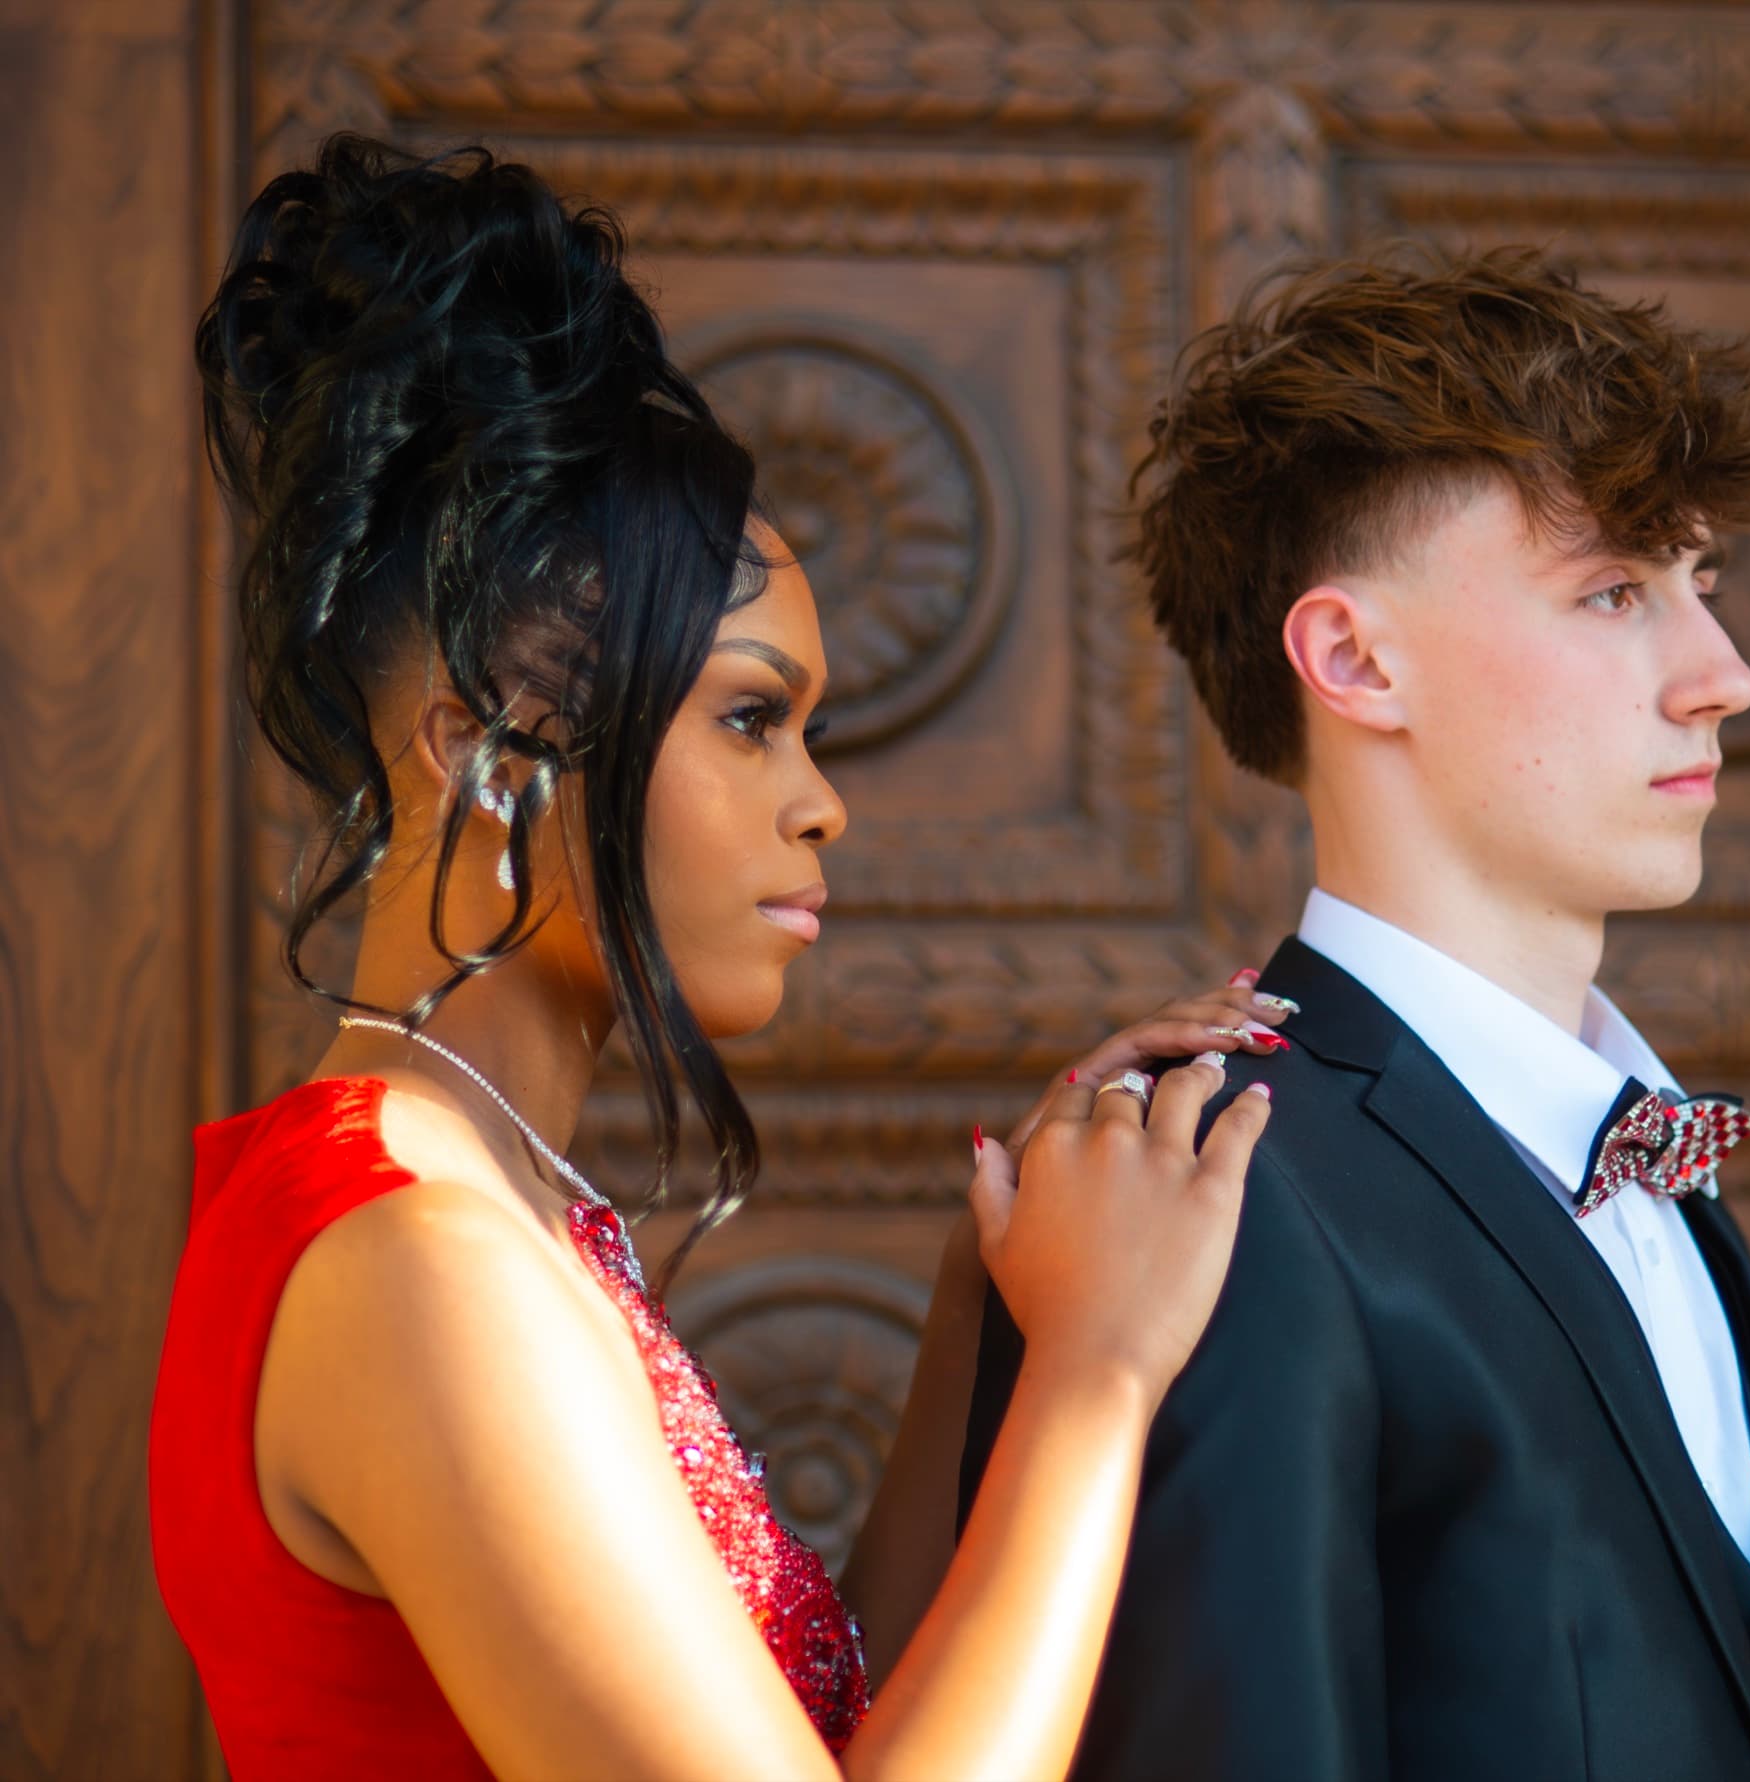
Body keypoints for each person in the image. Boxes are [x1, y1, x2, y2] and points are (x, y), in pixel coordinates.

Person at [147, 135, 1286, 1782]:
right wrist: (1101, 1380)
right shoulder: (415, 1253)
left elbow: (835, 1722)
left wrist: (997, 1306)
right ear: (487, 747)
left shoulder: (481, 1197)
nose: (820, 805)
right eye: (750, 717)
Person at [960, 250, 1750, 1780]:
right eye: (1618, 589)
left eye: (1706, 588)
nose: (1726, 675)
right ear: (1355, 659)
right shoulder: (1217, 1189)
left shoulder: (1655, 1165)